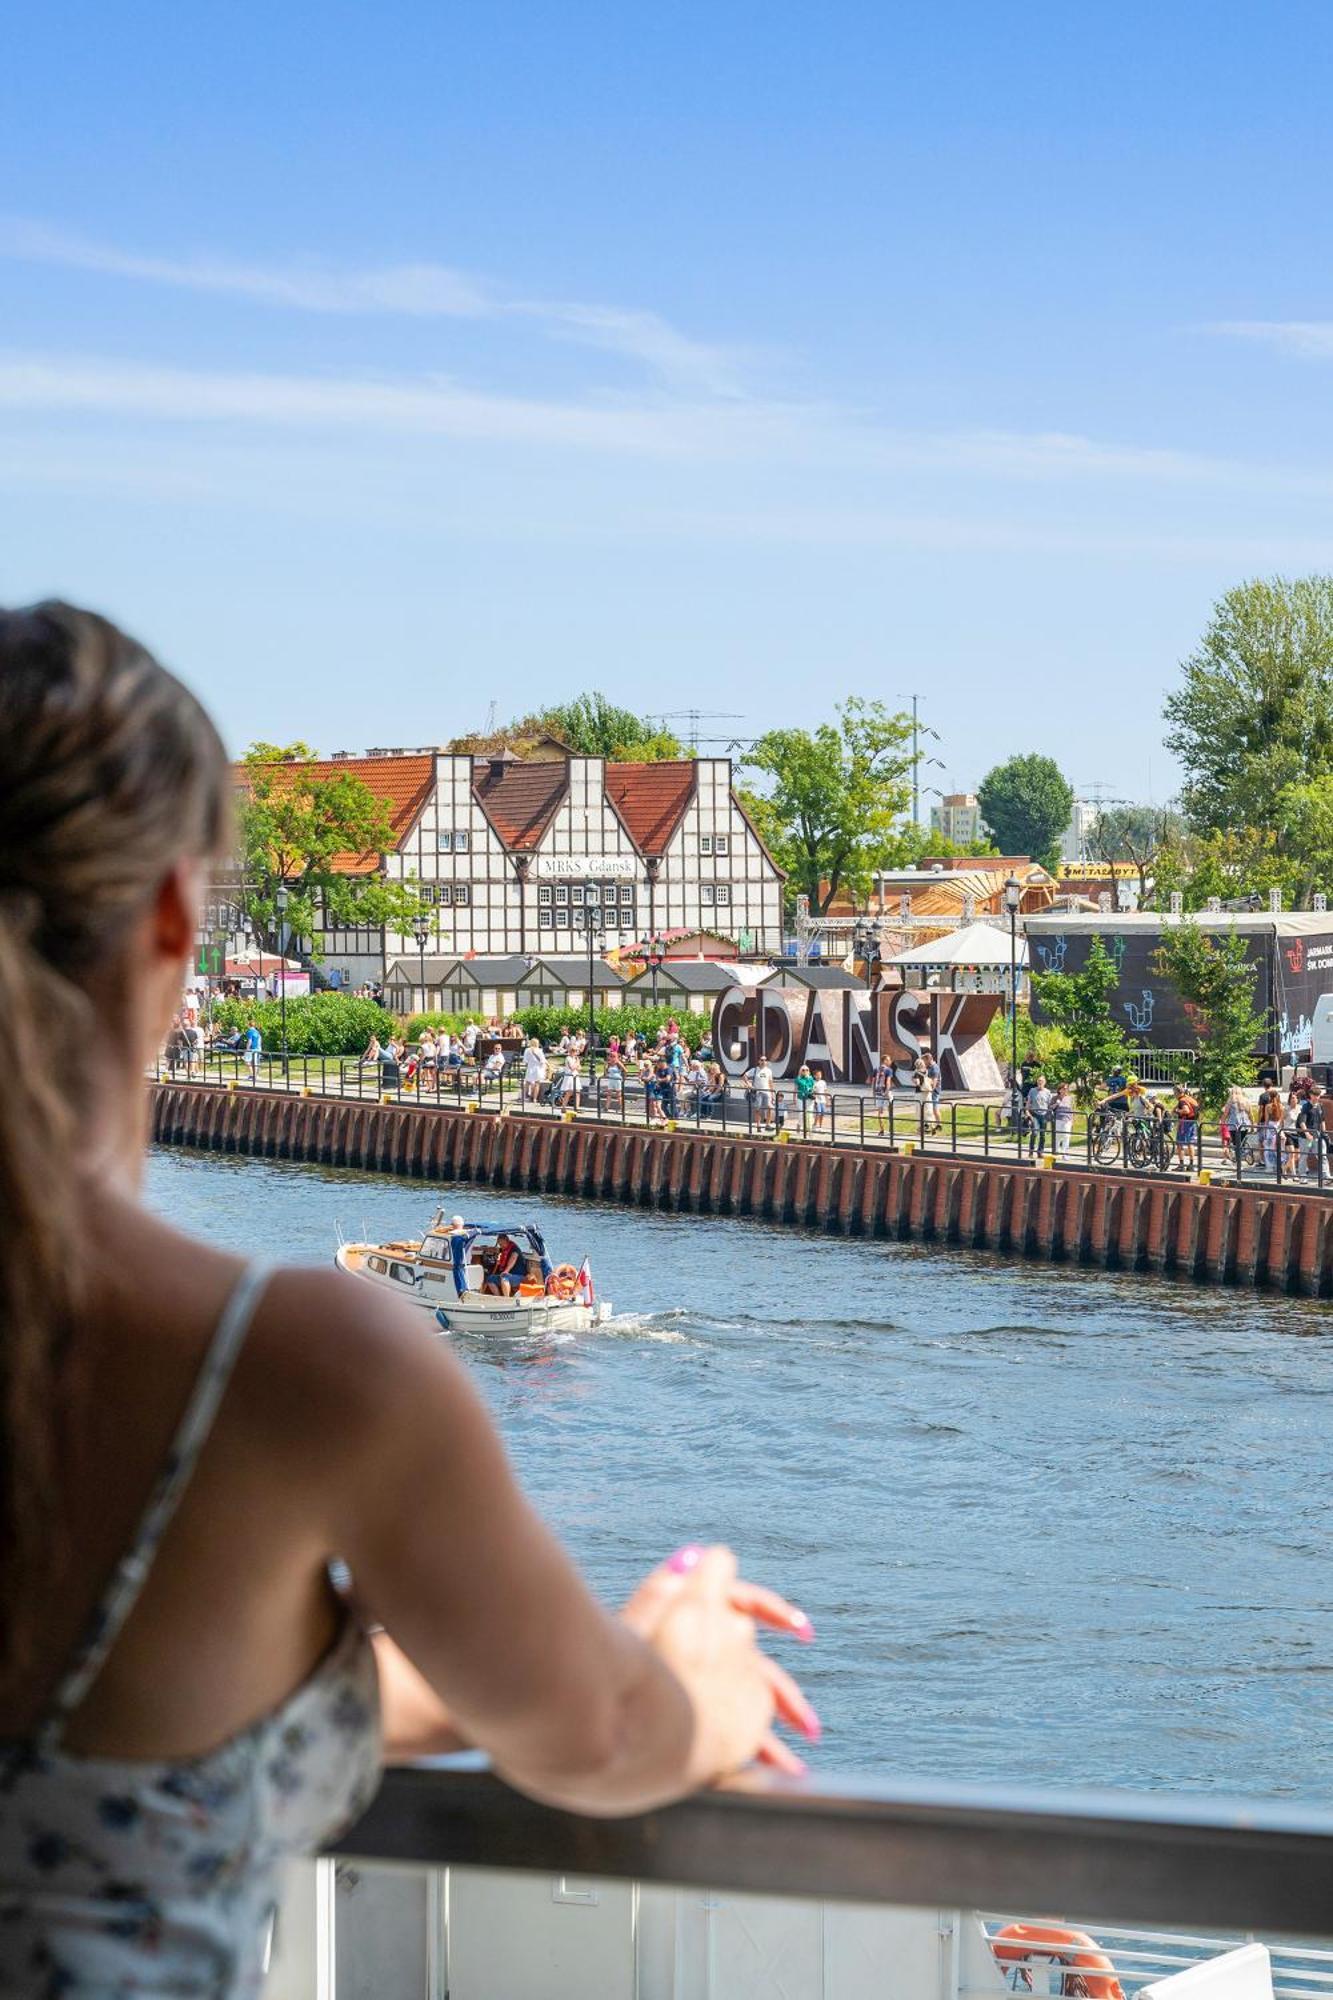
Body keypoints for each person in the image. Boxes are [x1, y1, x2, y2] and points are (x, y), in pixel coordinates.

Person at [0, 603, 815, 1999]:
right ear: (175, 917)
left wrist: (387, 1699)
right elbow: (603, 1739)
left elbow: (166, 1684)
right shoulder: (282, 1365)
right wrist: (684, 1670)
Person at [1224, 1085, 1254, 1178]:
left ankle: (1239, 1163)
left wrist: (1222, 1123)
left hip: (1233, 1125)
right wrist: (1252, 1125)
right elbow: (1250, 1113)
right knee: (1241, 1142)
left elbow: (1225, 1113)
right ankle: (1245, 1153)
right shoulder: (1246, 1101)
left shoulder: (1231, 1102)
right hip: (1244, 1125)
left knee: (1236, 1144)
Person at [1173, 1083, 1201, 1173]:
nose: (1174, 1095)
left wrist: (1177, 1111)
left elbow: (1186, 1110)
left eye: (1174, 1093)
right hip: (1193, 1122)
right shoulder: (1189, 1098)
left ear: (1178, 1092)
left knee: (1179, 1143)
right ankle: (1191, 1165)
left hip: (1184, 1123)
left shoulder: (1182, 1101)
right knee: (1190, 1143)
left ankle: (1181, 1165)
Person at [1026, 1073, 1053, 1157]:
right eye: (1039, 1081)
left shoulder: (1048, 1092)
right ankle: (1031, 1151)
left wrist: (1050, 1114)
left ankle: (1040, 1152)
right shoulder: (1032, 1090)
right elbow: (1028, 1102)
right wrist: (1027, 1112)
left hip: (1044, 1115)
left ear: (1044, 1082)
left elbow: (1049, 1105)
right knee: (1034, 1133)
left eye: (1041, 1081)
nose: (1040, 1083)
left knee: (1042, 1135)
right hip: (1035, 1114)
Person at [522, 1036, 548, 1106]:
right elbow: (542, 1061)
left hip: (530, 1068)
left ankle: (525, 1096)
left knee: (527, 1083)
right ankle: (534, 1099)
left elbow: (525, 1061)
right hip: (538, 1069)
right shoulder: (540, 1050)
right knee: (537, 1084)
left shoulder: (527, 1050)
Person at [1051, 1081, 1075, 1156]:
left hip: (1067, 1119)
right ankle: (1056, 1151)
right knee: (1058, 1135)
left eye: (1067, 1089)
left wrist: (1073, 1119)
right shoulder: (1055, 1098)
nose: (1066, 1090)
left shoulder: (1070, 1098)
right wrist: (1056, 1104)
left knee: (1066, 1136)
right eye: (1064, 1088)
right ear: (1060, 1090)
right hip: (1058, 1119)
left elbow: (1072, 1109)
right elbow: (1050, 1107)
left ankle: (1065, 1152)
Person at [242, 1016, 262, 1084]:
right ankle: (255, 1075)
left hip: (251, 1049)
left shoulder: (250, 1031)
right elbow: (259, 1039)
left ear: (249, 1025)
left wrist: (247, 1049)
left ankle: (252, 1075)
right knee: (255, 1062)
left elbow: (249, 1041)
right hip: (257, 1048)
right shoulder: (257, 1031)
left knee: (246, 1061)